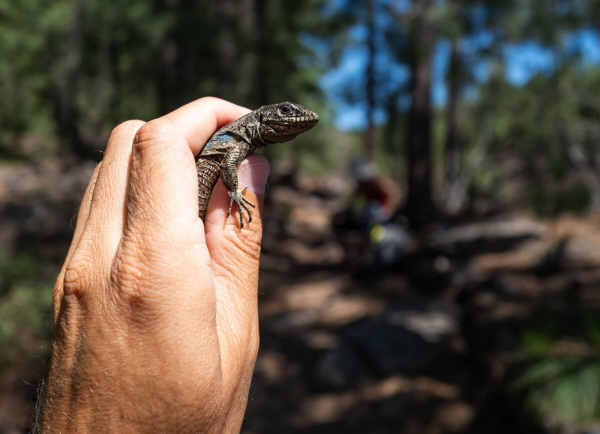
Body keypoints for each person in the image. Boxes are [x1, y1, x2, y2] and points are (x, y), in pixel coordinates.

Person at [36, 98, 269, 433]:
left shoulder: (238, 138)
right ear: (263, 119)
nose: (299, 118)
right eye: (286, 113)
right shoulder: (238, 140)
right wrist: (235, 192)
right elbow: (230, 165)